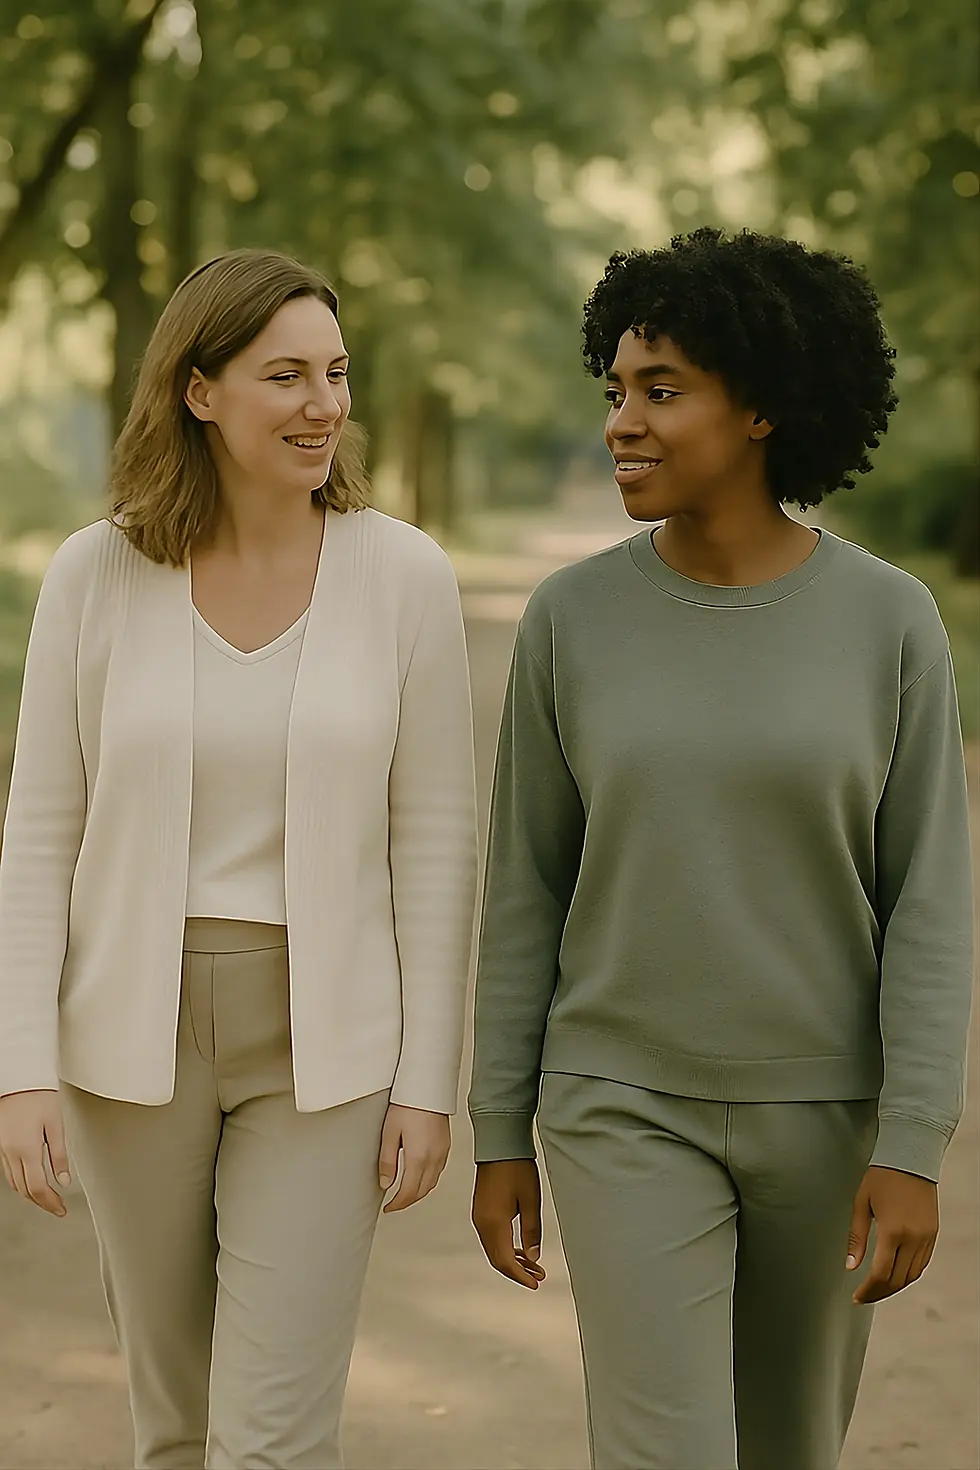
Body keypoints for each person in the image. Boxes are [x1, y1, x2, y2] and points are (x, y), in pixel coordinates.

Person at [468, 227, 974, 1470]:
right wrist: (497, 1128)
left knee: (787, 1449)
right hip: (621, 1101)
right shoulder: (569, 619)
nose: (619, 425)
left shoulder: (888, 623)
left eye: (660, 391)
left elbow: (929, 902)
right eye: (614, 391)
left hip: (825, 1110)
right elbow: (524, 886)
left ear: (760, 408)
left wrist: (910, 1142)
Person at [0, 248, 478, 1470]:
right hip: (128, 1045)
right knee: (175, 1429)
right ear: (198, 390)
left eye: (336, 372)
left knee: (269, 1439)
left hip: (323, 1050)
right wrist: (19, 1070)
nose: (324, 404)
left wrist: (426, 1080)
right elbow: (40, 832)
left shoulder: (403, 577)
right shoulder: (93, 575)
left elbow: (433, 838)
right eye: (285, 376)